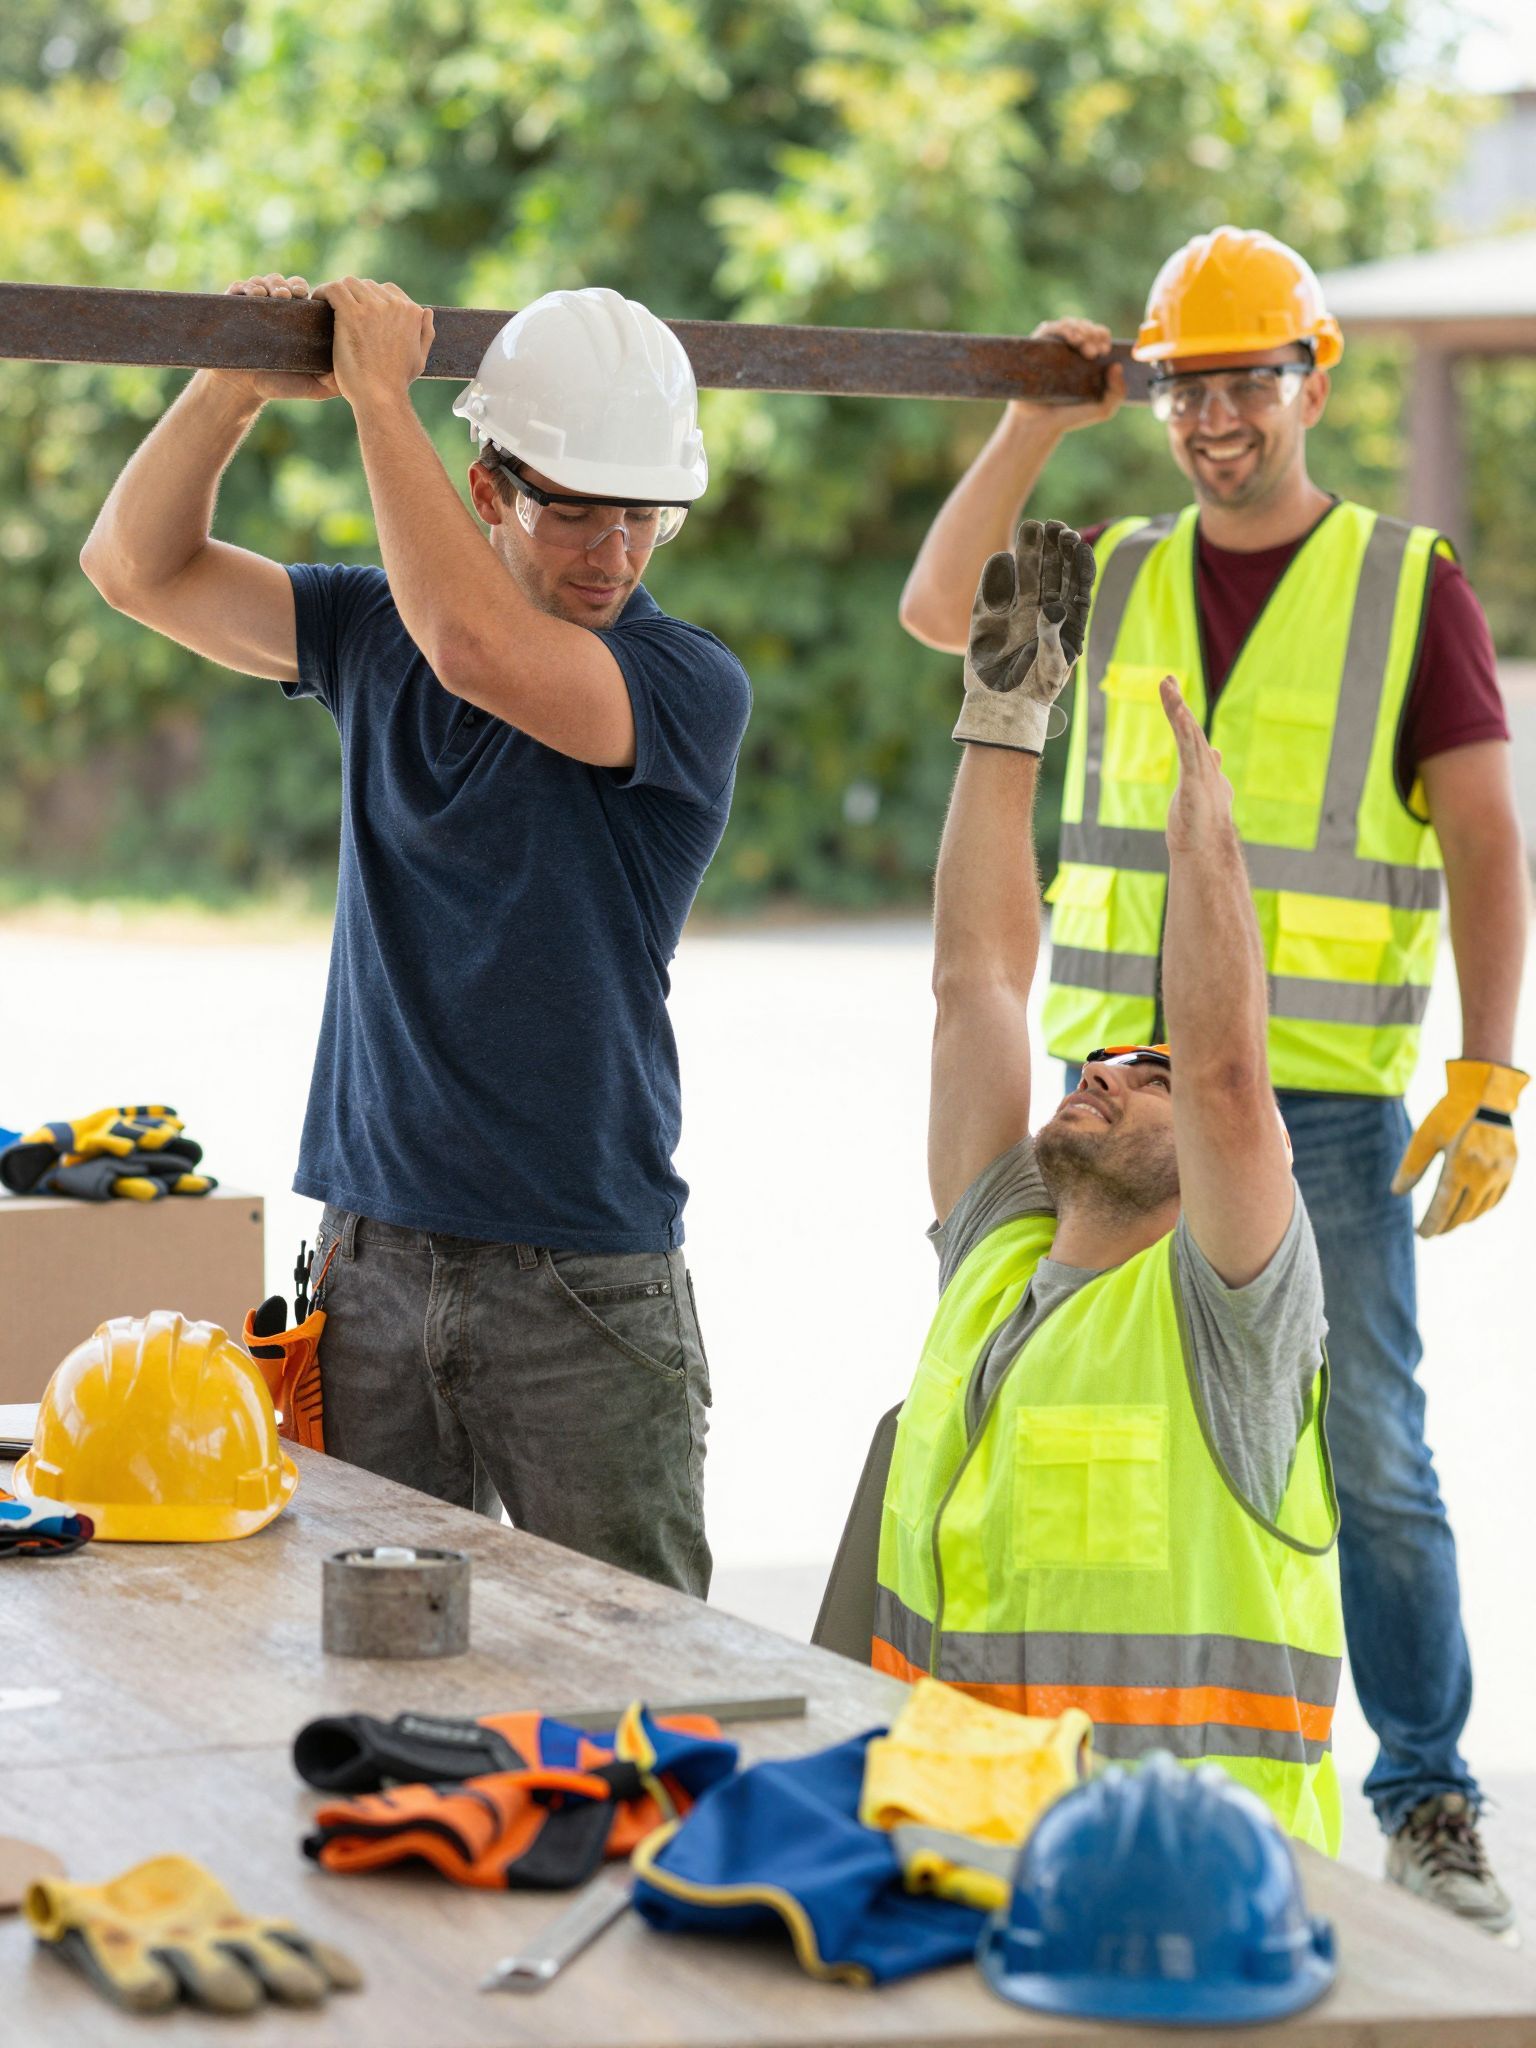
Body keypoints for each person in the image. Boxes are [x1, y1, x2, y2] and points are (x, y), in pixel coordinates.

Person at [897, 226, 1528, 1934]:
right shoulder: (1111, 561)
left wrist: (1489, 1062)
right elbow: (950, 615)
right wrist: (1039, 419)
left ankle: (1427, 1796)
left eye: (1250, 377)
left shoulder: (1407, 580)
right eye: (1187, 384)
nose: (1218, 415)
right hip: (1119, 1098)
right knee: (1063, 1418)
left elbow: (1480, 826)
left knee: (1373, 1453)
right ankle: (1045, 1727)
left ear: (1314, 380)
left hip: (1307, 1096)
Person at [79, 274, 753, 1598]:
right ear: (489, 487)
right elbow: (133, 568)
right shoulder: (369, 633)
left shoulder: (684, 686)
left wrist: (376, 390)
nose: (614, 552)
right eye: (576, 509)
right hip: (370, 1263)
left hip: (584, 1285)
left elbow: (475, 647)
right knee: (370, 1674)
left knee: (642, 1690)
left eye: (642, 513)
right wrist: (232, 384)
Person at [869, 517, 1343, 1855]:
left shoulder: (1230, 1325)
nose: (1103, 1074)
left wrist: (1207, 845)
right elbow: (977, 982)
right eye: (1099, 1062)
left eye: (1147, 1074)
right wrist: (1006, 715)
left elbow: (1232, 1078)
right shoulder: (1000, 1265)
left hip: (1192, 1897)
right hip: (958, 1852)